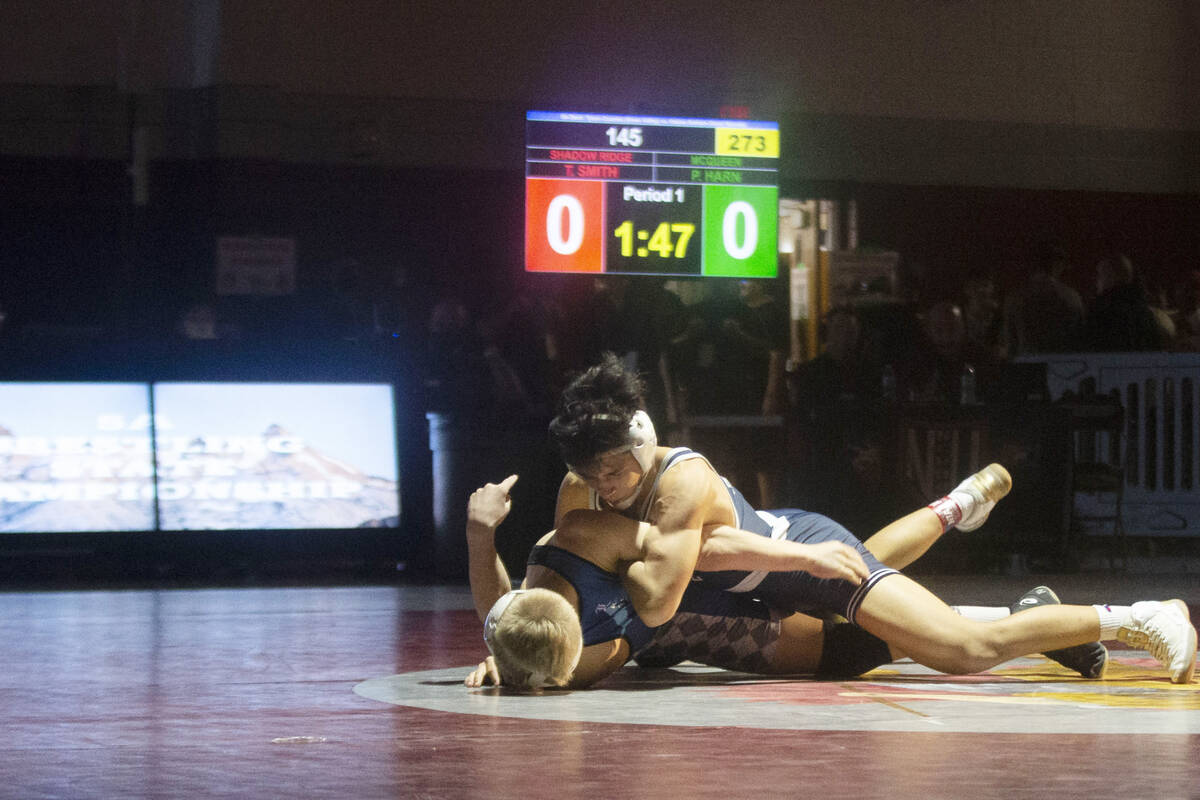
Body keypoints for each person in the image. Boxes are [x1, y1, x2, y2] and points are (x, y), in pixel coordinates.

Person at [539, 354, 1196, 684]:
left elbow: (655, 602)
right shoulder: (582, 490)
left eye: (616, 470)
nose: (607, 486)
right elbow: (568, 583)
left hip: (802, 555)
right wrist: (520, 648)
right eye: (592, 475)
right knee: (872, 589)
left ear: (644, 439)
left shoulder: (679, 479)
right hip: (779, 569)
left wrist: (626, 543)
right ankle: (957, 508)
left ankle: (1141, 616)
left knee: (959, 650)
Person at [465, 470, 1096, 689]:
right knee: (861, 578)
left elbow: (705, 548)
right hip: (723, 598)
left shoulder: (581, 537)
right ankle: (957, 509)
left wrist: (518, 660)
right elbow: (511, 615)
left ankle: (1029, 620)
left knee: (861, 612)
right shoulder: (572, 539)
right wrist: (510, 652)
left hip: (727, 602)